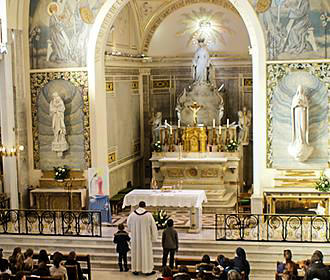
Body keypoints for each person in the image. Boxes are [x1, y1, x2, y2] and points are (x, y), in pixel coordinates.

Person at [127, 201, 158, 276]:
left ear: (138, 206)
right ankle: (147, 270)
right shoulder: (148, 215)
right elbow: (153, 227)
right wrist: (154, 237)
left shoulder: (132, 215)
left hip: (136, 238)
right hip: (146, 239)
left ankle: (135, 269)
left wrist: (133, 231)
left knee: (136, 253)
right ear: (145, 206)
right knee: (146, 253)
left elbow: (128, 225)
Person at [288, 85, 313, 162]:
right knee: (297, 127)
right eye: (299, 89)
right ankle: (297, 140)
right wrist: (297, 104)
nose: (300, 91)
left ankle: (303, 140)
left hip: (303, 113)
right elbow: (292, 107)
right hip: (297, 113)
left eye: (301, 89)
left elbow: (307, 106)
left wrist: (302, 104)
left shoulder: (304, 97)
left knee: (303, 127)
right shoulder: (295, 97)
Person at [49, 91, 69, 156]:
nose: (55, 98)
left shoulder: (60, 101)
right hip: (55, 118)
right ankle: (56, 139)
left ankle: (61, 139)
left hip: (60, 117)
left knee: (61, 129)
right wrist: (55, 111)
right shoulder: (52, 102)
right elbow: (51, 110)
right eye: (54, 97)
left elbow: (63, 108)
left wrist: (58, 111)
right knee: (55, 128)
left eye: (56, 96)